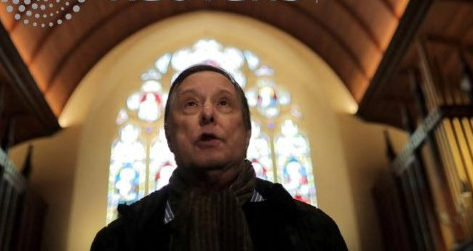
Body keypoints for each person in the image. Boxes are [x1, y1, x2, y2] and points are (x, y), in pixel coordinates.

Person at [91, 64, 348, 250]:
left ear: (247, 132)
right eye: (190, 104)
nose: (207, 113)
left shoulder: (312, 230)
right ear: (169, 134)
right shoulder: (120, 240)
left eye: (224, 103)